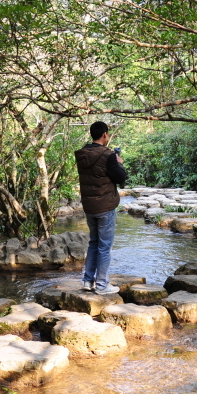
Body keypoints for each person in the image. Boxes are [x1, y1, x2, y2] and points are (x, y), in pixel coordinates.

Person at [75, 121, 128, 294]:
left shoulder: (82, 154)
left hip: (89, 206)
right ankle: (102, 285)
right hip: (105, 206)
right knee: (104, 246)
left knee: (93, 243)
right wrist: (118, 162)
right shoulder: (108, 155)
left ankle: (88, 281)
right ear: (105, 135)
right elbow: (121, 178)